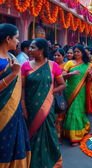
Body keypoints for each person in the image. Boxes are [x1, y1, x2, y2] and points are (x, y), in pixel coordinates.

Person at [21, 38, 65, 168]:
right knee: (31, 134)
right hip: (30, 106)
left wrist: (50, 92)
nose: (30, 50)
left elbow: (62, 84)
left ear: (41, 50)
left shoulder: (53, 65)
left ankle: (53, 161)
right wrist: (23, 106)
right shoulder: (26, 66)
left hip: (47, 106)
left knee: (49, 133)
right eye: (30, 47)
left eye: (33, 47)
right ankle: (32, 162)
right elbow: (22, 88)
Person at [0, 24, 31, 168]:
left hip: (15, 109)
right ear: (7, 39)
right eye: (16, 38)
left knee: (14, 141)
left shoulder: (12, 57)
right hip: (3, 111)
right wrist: (13, 73)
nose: (18, 41)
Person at [63, 44, 92, 146]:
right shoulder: (69, 63)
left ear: (82, 53)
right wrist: (70, 74)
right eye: (75, 52)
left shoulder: (88, 65)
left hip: (81, 91)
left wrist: (91, 74)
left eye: (78, 51)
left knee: (77, 110)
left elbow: (90, 80)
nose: (76, 53)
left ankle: (76, 136)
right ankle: (71, 132)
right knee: (71, 110)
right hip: (70, 90)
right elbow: (62, 75)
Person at [53, 48, 66, 143]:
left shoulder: (66, 65)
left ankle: (59, 136)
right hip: (51, 91)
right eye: (55, 55)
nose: (56, 57)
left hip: (60, 92)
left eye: (59, 55)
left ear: (63, 57)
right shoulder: (51, 65)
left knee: (60, 115)